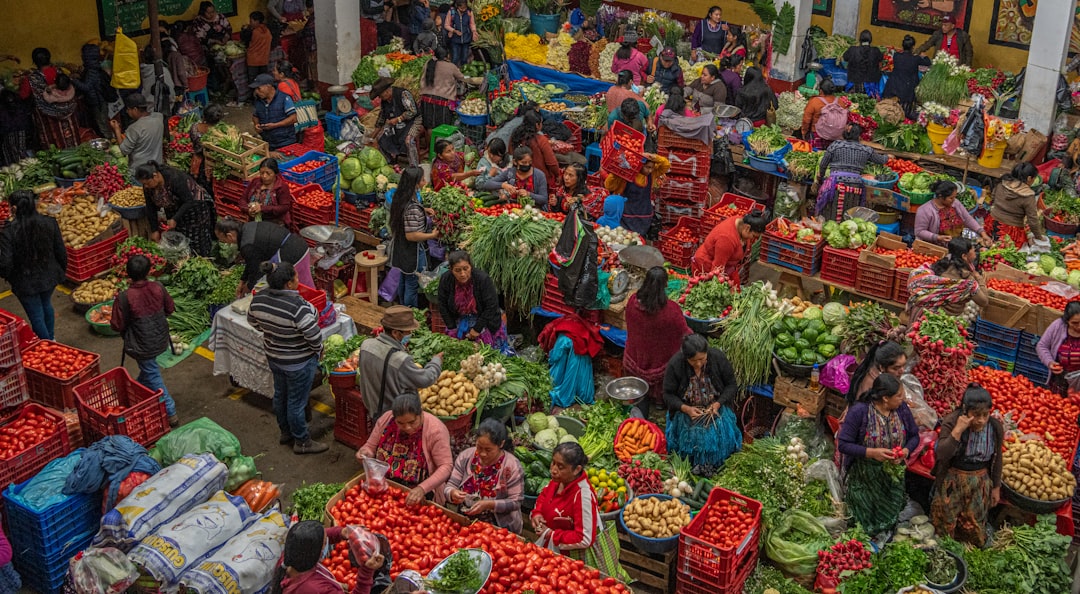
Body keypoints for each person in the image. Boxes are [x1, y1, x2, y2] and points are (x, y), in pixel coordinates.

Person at [248, 261, 328, 454]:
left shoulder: (258, 299)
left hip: (275, 357)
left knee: (280, 395)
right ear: (289, 284)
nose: (298, 280)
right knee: (296, 402)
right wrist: (318, 349)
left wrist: (273, 335)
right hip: (298, 363)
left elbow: (253, 322)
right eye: (296, 277)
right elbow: (314, 335)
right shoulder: (298, 307)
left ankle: (286, 432)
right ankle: (302, 441)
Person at [836, 373, 919, 537]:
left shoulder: (901, 410)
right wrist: (871, 453)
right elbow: (843, 444)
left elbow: (914, 436)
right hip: (864, 477)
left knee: (888, 513)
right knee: (863, 517)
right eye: (899, 396)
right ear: (885, 398)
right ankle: (862, 543)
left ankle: (883, 541)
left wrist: (905, 451)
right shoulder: (860, 411)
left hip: (892, 478)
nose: (903, 399)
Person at [531, 442, 624, 576]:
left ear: (576, 469)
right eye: (553, 463)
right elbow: (544, 495)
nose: (553, 469)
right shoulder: (558, 480)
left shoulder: (582, 496)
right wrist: (537, 512)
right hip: (554, 551)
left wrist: (551, 534)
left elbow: (584, 537)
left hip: (573, 560)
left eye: (560, 466)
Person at [931, 384, 1003, 547]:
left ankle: (968, 553)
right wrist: (958, 430)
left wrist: (996, 486)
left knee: (973, 524)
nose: (981, 420)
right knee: (945, 521)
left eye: (985, 415)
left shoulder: (995, 427)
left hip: (980, 482)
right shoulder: (951, 421)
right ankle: (945, 551)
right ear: (965, 410)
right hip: (952, 480)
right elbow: (942, 453)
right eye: (976, 415)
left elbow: (998, 457)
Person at [110, 255, 178, 427]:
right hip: (160, 338)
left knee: (152, 373)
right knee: (148, 370)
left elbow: (117, 325)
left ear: (128, 274)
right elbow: (170, 309)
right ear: (149, 271)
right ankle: (133, 389)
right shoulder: (158, 287)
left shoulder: (125, 297)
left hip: (141, 344)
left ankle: (170, 411)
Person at [663, 334, 741, 474]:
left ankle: (715, 465)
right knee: (692, 445)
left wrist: (718, 404)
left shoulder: (717, 358)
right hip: (688, 412)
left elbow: (731, 385)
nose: (698, 364)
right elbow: (668, 394)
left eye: (702, 359)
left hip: (715, 408)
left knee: (717, 443)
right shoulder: (676, 364)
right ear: (686, 357)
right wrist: (686, 409)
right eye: (693, 361)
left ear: (707, 353)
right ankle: (693, 466)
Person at [358, 392, 453, 505]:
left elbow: (446, 466)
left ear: (421, 413)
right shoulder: (386, 419)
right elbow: (370, 446)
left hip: (420, 493)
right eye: (400, 423)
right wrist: (365, 453)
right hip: (385, 487)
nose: (407, 427)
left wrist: (422, 488)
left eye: (412, 422)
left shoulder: (436, 431)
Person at [358, 306, 444, 424]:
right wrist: (436, 361)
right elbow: (426, 379)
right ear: (395, 333)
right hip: (396, 416)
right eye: (408, 331)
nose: (410, 334)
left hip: (374, 410)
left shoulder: (366, 345)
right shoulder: (400, 360)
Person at [623, 267, 691, 415]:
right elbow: (684, 332)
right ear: (665, 285)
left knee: (641, 397)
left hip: (636, 356)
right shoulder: (671, 311)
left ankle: (641, 401)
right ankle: (660, 402)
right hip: (659, 362)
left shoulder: (632, 302)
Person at [0, 190, 65, 340]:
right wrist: (60, 271)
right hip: (49, 276)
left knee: (36, 314)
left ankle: (47, 344)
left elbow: (6, 262)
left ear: (14, 208)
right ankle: (51, 338)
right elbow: (60, 251)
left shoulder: (9, 232)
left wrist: (8, 276)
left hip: (25, 282)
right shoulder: (49, 222)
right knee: (46, 305)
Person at [444, 419, 525, 533]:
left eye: (488, 450)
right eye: (479, 447)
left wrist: (489, 505)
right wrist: (452, 493)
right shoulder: (466, 457)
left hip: (499, 529)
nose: (482, 453)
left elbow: (515, 502)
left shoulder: (512, 466)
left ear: (501, 444)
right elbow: (450, 486)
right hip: (467, 522)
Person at [275, 521, 390, 594]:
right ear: (316, 552)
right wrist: (366, 572)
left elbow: (324, 534)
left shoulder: (291, 556)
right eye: (325, 543)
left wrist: (341, 532)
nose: (327, 544)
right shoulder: (316, 589)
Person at [134, 162, 216, 257]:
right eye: (144, 184)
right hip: (175, 208)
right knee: (178, 237)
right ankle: (183, 260)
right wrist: (154, 229)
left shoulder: (176, 179)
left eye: (147, 183)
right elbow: (150, 207)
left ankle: (203, 259)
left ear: (155, 176)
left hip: (194, 208)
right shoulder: (148, 187)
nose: (146, 186)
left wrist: (175, 218)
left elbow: (189, 200)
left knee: (197, 239)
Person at [436, 251, 512, 351]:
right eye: (457, 270)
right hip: (459, 320)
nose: (462, 274)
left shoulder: (482, 279)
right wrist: (452, 327)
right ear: (451, 269)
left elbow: (491, 306)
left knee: (487, 354)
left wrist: (477, 328)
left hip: (485, 320)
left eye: (465, 269)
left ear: (470, 266)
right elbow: (442, 304)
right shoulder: (446, 279)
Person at [813, 123, 890, 221]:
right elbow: (881, 160)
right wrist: (889, 157)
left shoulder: (835, 145)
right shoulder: (866, 149)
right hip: (855, 187)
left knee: (831, 214)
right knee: (849, 216)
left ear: (845, 134)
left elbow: (823, 164)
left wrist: (821, 178)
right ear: (859, 136)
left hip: (836, 184)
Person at [216, 219, 315, 293]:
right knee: (304, 283)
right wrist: (242, 281)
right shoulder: (248, 226)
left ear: (229, 236)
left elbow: (256, 270)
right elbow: (251, 263)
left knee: (296, 287)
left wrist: (248, 288)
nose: (224, 243)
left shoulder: (247, 245)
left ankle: (309, 310)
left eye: (222, 240)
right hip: (299, 244)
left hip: (293, 254)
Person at [906, 237, 989, 324]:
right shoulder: (968, 281)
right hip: (944, 321)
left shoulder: (939, 267)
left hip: (923, 315)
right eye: (972, 249)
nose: (975, 251)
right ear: (964, 256)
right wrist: (978, 277)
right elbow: (984, 302)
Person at [387, 166, 436, 307]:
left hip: (400, 248)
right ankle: (410, 313)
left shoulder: (400, 197)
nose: (425, 182)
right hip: (412, 252)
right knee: (412, 284)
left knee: (404, 278)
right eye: (422, 180)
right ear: (414, 184)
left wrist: (424, 210)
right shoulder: (412, 207)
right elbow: (412, 235)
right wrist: (432, 235)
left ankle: (402, 306)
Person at [20, 47, 80, 149]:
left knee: (53, 140)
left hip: (47, 119)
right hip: (68, 114)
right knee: (71, 137)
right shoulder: (61, 72)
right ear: (49, 58)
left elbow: (23, 96)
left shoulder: (30, 79)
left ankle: (57, 158)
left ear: (34, 62)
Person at [692, 211, 767, 285]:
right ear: (747, 228)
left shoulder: (739, 222)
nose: (754, 239)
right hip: (706, 266)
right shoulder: (726, 239)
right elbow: (717, 269)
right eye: (754, 236)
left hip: (727, 267)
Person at [604, 154, 670, 236]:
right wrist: (616, 174)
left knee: (639, 239)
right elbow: (609, 186)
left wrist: (654, 157)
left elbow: (666, 165)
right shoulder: (627, 174)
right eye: (647, 167)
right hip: (626, 216)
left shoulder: (651, 175)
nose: (650, 170)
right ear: (640, 165)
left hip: (644, 216)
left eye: (652, 168)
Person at [914, 180, 990, 246]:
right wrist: (938, 237)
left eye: (955, 197)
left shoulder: (955, 203)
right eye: (951, 198)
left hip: (954, 244)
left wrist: (982, 233)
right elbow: (919, 231)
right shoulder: (925, 210)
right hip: (934, 246)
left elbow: (967, 219)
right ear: (940, 196)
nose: (954, 200)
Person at [988, 162, 1044, 247]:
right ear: (1029, 178)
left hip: (991, 222)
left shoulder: (1002, 182)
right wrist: (1039, 237)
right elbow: (1032, 220)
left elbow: (993, 196)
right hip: (1010, 231)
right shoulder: (1028, 195)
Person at [372, 77, 421, 166]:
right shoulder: (385, 101)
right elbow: (382, 117)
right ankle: (391, 163)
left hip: (413, 120)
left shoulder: (403, 94)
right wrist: (373, 135)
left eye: (381, 95)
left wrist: (399, 119)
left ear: (387, 91)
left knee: (408, 141)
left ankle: (414, 167)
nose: (380, 98)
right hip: (396, 124)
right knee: (380, 139)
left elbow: (413, 111)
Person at [111, 93, 165, 174]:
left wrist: (117, 130)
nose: (127, 112)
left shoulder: (135, 128)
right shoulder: (159, 118)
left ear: (135, 109)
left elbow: (124, 150)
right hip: (157, 167)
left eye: (128, 109)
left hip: (140, 172)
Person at [480, 146, 549, 208]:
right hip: (513, 209)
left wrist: (529, 194)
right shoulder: (510, 173)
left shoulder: (539, 175)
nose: (527, 165)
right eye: (524, 162)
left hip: (534, 211)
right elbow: (487, 184)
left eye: (530, 162)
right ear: (515, 162)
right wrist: (503, 185)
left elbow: (544, 199)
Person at [1037, 302, 1080, 396]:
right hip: (1059, 379)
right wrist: (1050, 362)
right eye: (1074, 323)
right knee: (1057, 405)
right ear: (1067, 321)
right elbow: (1042, 346)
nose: (1079, 326)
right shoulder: (1058, 326)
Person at [846, 340, 908, 405]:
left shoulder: (883, 376)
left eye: (904, 365)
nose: (902, 371)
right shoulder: (871, 388)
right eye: (896, 368)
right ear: (882, 368)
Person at [511, 110, 561, 190]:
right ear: (537, 125)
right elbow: (551, 163)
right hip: (539, 179)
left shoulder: (516, 136)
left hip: (519, 177)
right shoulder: (541, 140)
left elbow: (511, 152)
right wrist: (557, 175)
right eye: (541, 123)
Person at [73, 43, 114, 137]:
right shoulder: (96, 67)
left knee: (102, 124)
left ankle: (109, 141)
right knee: (101, 123)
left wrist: (74, 81)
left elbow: (87, 87)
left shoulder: (91, 71)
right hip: (98, 100)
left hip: (97, 102)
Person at [882, 36, 931, 116]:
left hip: (894, 86)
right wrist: (924, 55)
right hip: (908, 89)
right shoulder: (916, 59)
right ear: (913, 47)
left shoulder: (897, 56)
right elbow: (928, 62)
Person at [419, 47, 463, 131]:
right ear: (447, 55)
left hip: (426, 99)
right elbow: (462, 77)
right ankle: (440, 144)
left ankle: (430, 144)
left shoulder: (429, 63)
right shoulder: (451, 66)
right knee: (442, 128)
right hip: (442, 101)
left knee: (429, 127)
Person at [250, 73, 298, 150]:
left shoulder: (284, 98)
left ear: (268, 86)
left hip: (286, 142)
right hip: (268, 142)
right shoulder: (258, 101)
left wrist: (275, 125)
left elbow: (293, 118)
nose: (256, 92)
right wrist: (256, 124)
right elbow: (255, 116)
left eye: (259, 88)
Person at [244, 159, 295, 230]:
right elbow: (243, 199)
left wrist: (262, 208)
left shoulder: (282, 187)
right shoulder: (255, 182)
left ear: (275, 173)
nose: (264, 176)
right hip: (254, 222)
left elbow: (284, 207)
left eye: (268, 173)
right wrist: (248, 210)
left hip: (275, 225)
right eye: (262, 173)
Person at [189, 103, 224, 188]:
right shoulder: (219, 134)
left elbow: (193, 141)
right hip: (210, 165)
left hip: (197, 160)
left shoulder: (194, 127)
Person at [800, 79, 843, 146]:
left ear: (821, 91)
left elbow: (806, 120)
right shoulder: (840, 102)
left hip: (817, 136)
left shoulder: (815, 101)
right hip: (835, 138)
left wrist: (804, 133)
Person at [843, 30, 884, 97]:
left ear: (860, 39)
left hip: (854, 84)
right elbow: (881, 58)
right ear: (870, 40)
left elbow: (845, 58)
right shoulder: (876, 51)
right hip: (871, 86)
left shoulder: (852, 50)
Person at [242, 12, 273, 96]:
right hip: (264, 59)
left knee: (254, 81)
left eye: (251, 21)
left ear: (257, 21)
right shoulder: (267, 30)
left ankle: (255, 98)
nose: (250, 23)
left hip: (253, 60)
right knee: (264, 80)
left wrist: (245, 29)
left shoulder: (254, 32)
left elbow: (245, 40)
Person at [138, 45, 176, 114]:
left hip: (147, 109)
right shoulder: (162, 71)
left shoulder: (142, 71)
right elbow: (171, 93)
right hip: (163, 109)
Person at [444, 0, 477, 66]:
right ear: (457, 6)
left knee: (464, 58)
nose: (463, 9)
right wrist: (454, 31)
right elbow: (446, 25)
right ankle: (454, 72)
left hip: (466, 38)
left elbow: (472, 23)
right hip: (455, 39)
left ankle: (462, 72)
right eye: (461, 8)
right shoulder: (451, 12)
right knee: (455, 58)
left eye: (465, 8)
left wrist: (474, 31)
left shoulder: (469, 12)